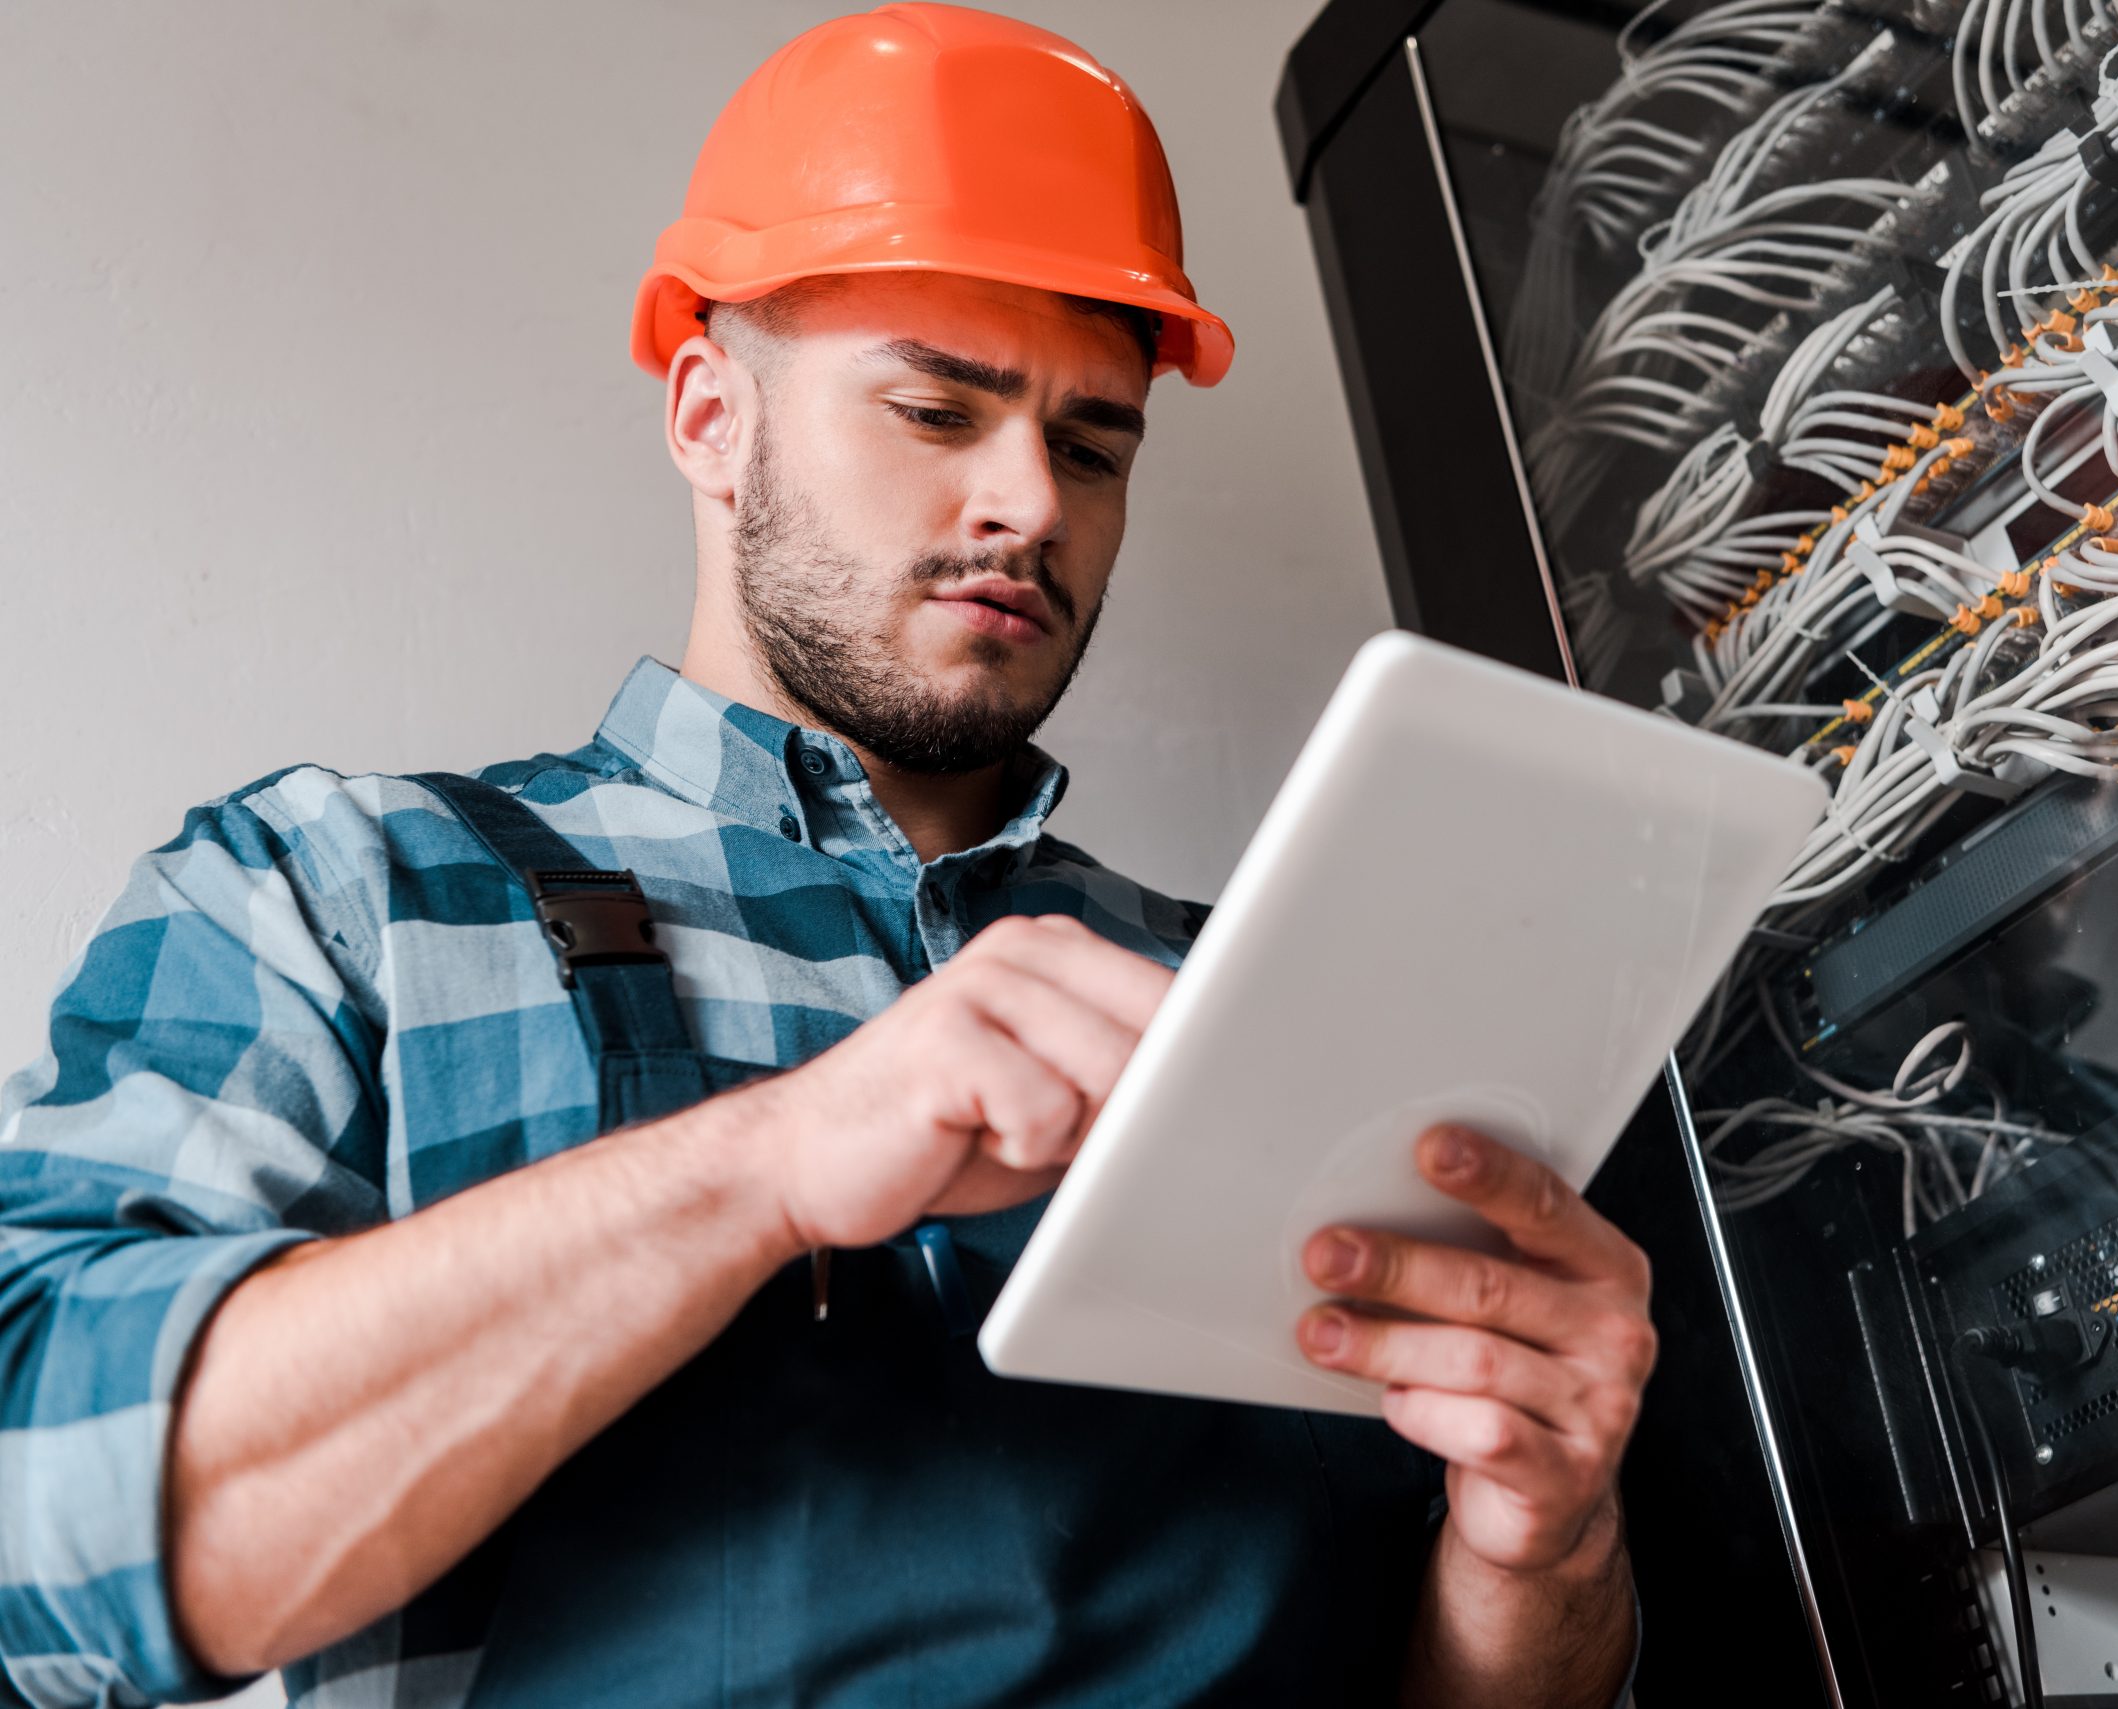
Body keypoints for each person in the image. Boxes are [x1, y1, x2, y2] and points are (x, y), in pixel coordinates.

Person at [0, 7, 1652, 1706]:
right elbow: (30, 1532)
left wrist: (1551, 1547)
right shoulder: (345, 893)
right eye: (938, 410)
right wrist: (767, 1166)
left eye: (1093, 446)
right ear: (713, 417)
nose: (1030, 500)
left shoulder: (1263, 996)